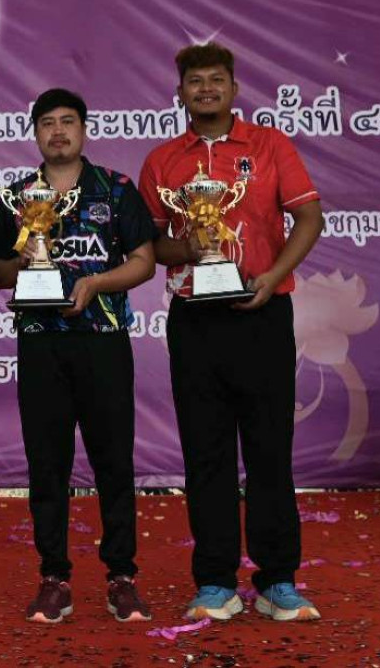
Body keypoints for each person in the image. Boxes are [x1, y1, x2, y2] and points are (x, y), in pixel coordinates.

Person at [137, 43, 325, 622]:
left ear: (235, 89)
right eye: (195, 81)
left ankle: (278, 581)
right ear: (180, 93)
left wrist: (274, 275)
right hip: (195, 320)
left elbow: (309, 216)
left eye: (216, 80)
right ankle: (216, 583)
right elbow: (151, 245)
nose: (206, 89)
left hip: (263, 311)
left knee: (270, 451)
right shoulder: (163, 160)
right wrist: (188, 248)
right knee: (206, 453)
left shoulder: (269, 145)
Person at [0, 88, 158, 624]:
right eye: (47, 123)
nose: (58, 131)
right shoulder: (16, 197)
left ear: (83, 130)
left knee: (114, 462)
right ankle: (53, 578)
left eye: (67, 121)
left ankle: (122, 577)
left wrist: (95, 283)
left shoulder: (116, 188)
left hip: (103, 341)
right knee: (47, 464)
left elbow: (145, 261)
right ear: (35, 133)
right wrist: (26, 259)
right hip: (41, 343)